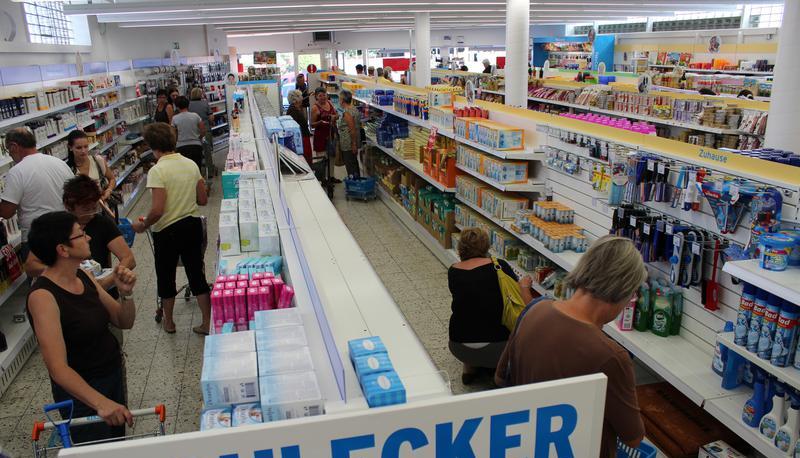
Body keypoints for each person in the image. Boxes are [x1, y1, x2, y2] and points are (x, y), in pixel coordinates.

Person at [495, 235, 647, 457]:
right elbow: (633, 438)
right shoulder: (611, 356)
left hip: (525, 442)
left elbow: (501, 378)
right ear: (622, 290)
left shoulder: (534, 310)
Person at [26, 211, 137, 444]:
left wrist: (126, 295)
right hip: (82, 396)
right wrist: (100, 402)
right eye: (80, 235)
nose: (88, 238)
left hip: (111, 376)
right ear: (62, 250)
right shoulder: (43, 297)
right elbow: (58, 368)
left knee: (116, 445)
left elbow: (123, 321)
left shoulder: (83, 276)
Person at [132, 123, 210, 335]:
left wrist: (143, 224)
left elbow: (157, 210)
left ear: (151, 145)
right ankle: (206, 322)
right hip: (191, 226)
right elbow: (203, 199)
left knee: (166, 277)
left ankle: (169, 322)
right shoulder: (191, 164)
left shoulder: (157, 171)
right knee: (197, 274)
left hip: (167, 231)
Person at [448, 228, 535, 385]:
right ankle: (498, 372)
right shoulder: (499, 266)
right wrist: (524, 287)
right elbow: (519, 299)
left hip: (458, 346)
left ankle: (469, 368)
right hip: (497, 349)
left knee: (469, 315)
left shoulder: (453, 271)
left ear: (461, 247)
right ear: (486, 246)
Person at [24, 175, 136, 292]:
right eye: (86, 209)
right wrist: (65, 273)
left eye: (94, 208)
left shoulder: (102, 223)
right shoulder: (55, 226)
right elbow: (31, 266)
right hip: (65, 293)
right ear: (68, 206)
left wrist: (105, 283)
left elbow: (128, 258)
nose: (92, 214)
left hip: (101, 290)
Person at [0, 128, 74, 261]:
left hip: (37, 240)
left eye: (8, 150)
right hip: (66, 232)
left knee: (42, 280)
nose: (10, 154)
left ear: (14, 146)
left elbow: (6, 212)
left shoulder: (17, 171)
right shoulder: (60, 164)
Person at [66, 130, 115, 207]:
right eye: (79, 148)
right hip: (82, 212)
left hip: (102, 208)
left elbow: (112, 179)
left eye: (86, 146)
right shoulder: (67, 169)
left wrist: (108, 191)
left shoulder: (98, 161)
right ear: (70, 148)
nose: (83, 151)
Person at [310, 87, 339, 182]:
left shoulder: (329, 103)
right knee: (322, 157)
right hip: (320, 136)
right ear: (316, 97)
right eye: (320, 95)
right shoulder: (315, 108)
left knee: (332, 156)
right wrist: (320, 122)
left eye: (324, 95)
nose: (323, 97)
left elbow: (336, 115)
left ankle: (331, 176)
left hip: (331, 134)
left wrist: (334, 117)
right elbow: (312, 124)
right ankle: (323, 178)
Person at [171, 96, 206, 172]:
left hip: (181, 147)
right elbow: (203, 130)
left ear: (177, 106)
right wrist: (198, 138)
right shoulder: (195, 116)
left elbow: (173, 134)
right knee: (197, 169)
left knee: (185, 171)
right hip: (196, 146)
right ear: (188, 104)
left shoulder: (175, 118)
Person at [189, 87, 214, 176]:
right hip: (205, 130)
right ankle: (210, 171)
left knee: (195, 153)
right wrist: (211, 123)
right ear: (201, 94)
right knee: (207, 151)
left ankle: (195, 173)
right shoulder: (205, 103)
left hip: (193, 132)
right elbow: (211, 117)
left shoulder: (188, 105)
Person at [337, 90, 361, 179]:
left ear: (342, 100)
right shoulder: (354, 109)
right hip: (352, 141)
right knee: (354, 162)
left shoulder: (347, 112)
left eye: (339, 98)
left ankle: (353, 183)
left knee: (350, 164)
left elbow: (352, 129)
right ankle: (356, 181)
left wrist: (353, 144)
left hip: (348, 143)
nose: (339, 101)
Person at [287, 90, 313, 166]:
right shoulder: (293, 110)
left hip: (303, 137)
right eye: (300, 96)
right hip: (301, 139)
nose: (302, 98)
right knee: (305, 160)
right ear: (296, 100)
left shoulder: (295, 108)